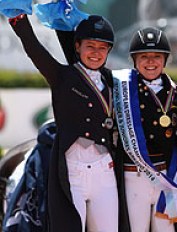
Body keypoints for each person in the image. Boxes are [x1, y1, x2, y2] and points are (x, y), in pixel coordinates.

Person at [8, 13, 120, 232]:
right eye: (90, 46)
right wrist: (17, 17)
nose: (96, 53)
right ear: (77, 47)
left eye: (102, 48)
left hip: (105, 172)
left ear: (108, 51)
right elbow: (34, 49)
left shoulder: (112, 81)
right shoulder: (61, 76)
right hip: (72, 171)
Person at [112, 27, 177, 232]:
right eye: (144, 56)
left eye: (157, 56)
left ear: (165, 60)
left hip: (165, 178)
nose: (150, 62)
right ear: (134, 60)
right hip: (133, 176)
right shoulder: (121, 89)